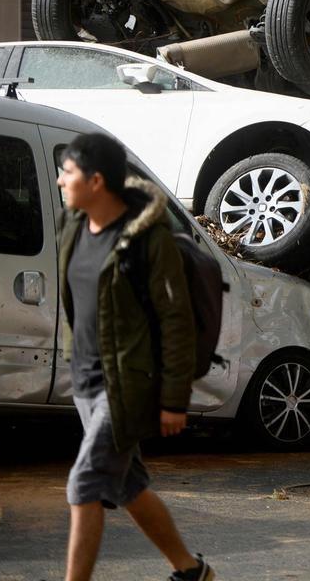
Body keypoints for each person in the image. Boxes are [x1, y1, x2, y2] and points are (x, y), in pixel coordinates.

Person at [57, 133, 215, 581]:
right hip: (85, 381)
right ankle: (191, 571)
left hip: (126, 387)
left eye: (67, 172)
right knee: (128, 485)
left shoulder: (148, 240)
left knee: (84, 484)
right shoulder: (74, 225)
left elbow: (176, 321)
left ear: (96, 180)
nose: (59, 180)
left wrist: (173, 398)